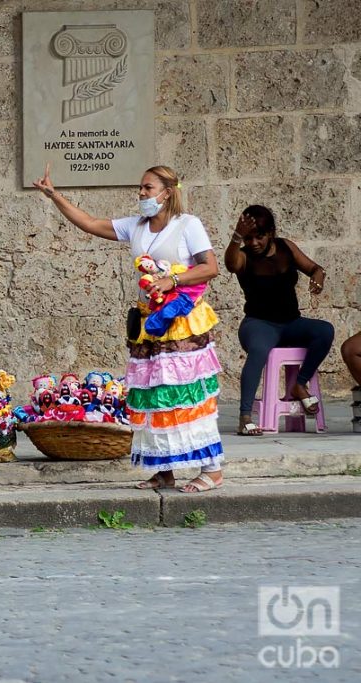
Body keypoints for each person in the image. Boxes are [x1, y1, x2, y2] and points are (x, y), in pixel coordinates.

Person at [34, 164, 224, 493]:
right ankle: (163, 470)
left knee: (184, 394)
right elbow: (91, 223)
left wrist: (173, 280)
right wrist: (55, 197)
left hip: (180, 323)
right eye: (141, 187)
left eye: (148, 188)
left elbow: (210, 267)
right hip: (149, 324)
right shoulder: (136, 227)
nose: (141, 193)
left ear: (167, 192)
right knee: (152, 395)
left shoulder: (187, 225)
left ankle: (212, 468)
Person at [224, 205, 333, 435]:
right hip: (258, 324)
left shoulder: (285, 247)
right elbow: (230, 264)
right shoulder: (243, 256)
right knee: (259, 352)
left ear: (271, 233)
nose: (254, 242)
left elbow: (314, 268)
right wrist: (236, 237)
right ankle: (245, 416)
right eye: (249, 237)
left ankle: (299, 384)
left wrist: (318, 277)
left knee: (324, 331)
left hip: (291, 323)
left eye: (259, 237)